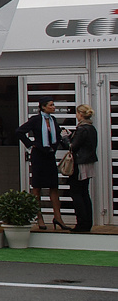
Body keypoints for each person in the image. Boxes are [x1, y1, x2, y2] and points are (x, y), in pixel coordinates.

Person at [18, 98, 69, 230]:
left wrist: (61, 140)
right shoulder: (35, 119)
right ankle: (39, 217)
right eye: (51, 105)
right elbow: (19, 131)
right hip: (38, 156)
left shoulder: (53, 120)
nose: (54, 107)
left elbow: (57, 135)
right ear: (43, 107)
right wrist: (31, 145)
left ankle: (58, 217)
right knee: (37, 187)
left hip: (50, 155)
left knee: (53, 186)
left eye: (53, 104)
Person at [67, 104, 98, 233]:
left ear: (80, 114)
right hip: (88, 162)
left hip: (79, 164)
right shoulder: (91, 128)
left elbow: (73, 147)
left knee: (76, 193)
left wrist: (65, 138)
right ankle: (87, 223)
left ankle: (81, 224)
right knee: (85, 193)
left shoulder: (82, 129)